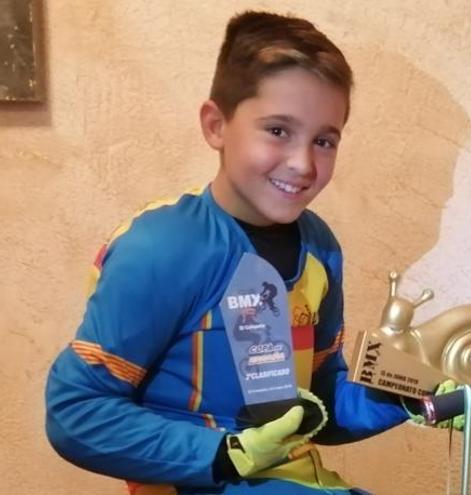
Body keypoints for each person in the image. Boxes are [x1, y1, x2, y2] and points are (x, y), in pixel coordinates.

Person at [44, 11, 410, 495]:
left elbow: (318, 408)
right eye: (278, 130)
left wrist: (408, 392)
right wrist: (225, 455)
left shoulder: (321, 248)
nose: (303, 164)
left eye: (324, 140)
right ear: (216, 125)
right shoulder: (162, 247)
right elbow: (76, 410)